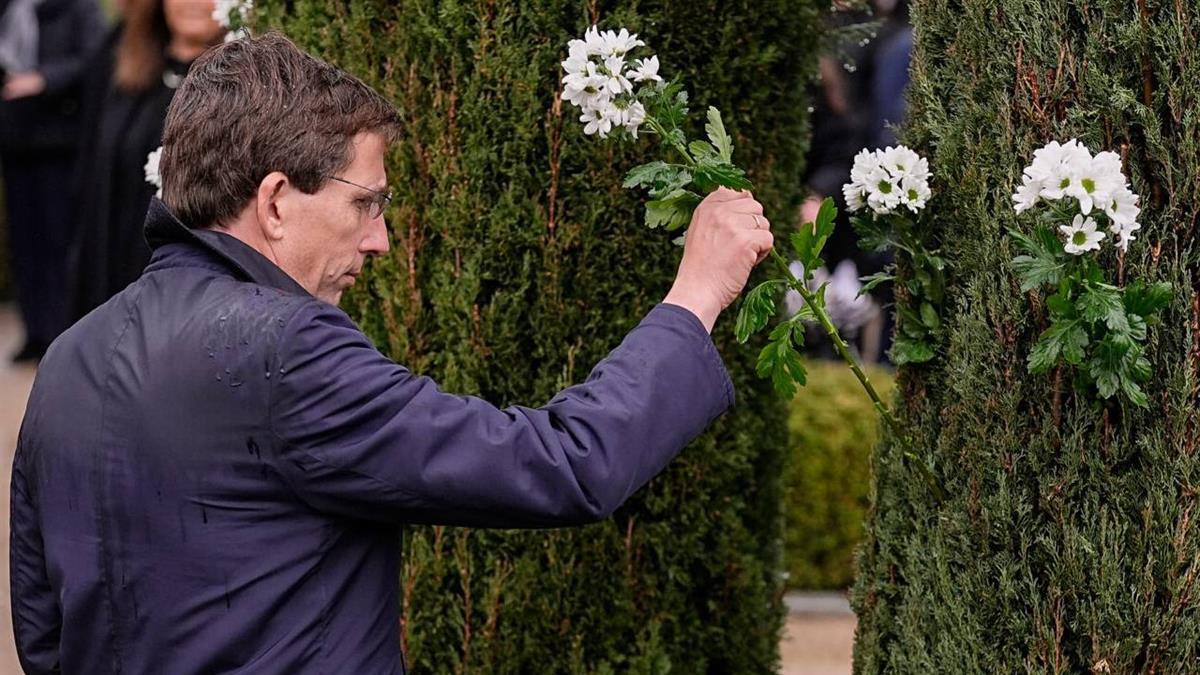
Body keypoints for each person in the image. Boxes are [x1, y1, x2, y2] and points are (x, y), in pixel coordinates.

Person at [10, 33, 774, 673]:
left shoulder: (70, 358)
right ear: (276, 201)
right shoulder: (289, 349)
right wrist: (694, 296)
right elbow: (558, 465)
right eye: (365, 203)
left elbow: (42, 632)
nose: (379, 238)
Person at [68, 0, 225, 321]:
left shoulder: (242, 90)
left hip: (187, 295)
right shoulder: (121, 64)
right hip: (113, 266)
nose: (195, 3)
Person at [0, 0, 105, 361]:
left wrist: (44, 79)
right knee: (25, 243)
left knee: (59, 240)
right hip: (16, 138)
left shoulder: (79, 7)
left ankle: (61, 334)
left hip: (61, 140)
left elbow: (94, 59)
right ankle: (35, 331)